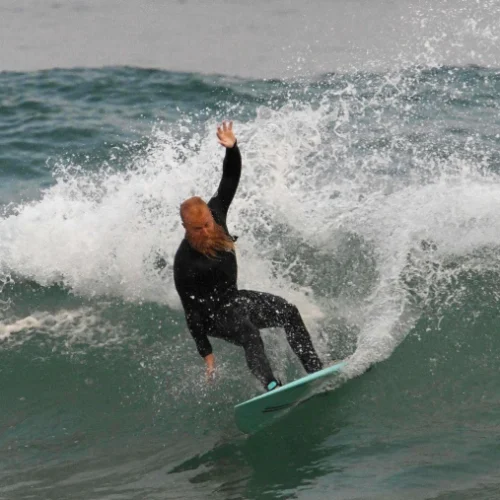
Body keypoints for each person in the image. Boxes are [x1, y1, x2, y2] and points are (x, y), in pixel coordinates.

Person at [173, 121, 323, 391]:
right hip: (211, 316)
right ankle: (271, 386)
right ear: (186, 228)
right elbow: (191, 312)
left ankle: (316, 369)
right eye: (199, 228)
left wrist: (233, 150)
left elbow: (229, 179)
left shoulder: (216, 213)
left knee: (288, 312)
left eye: (207, 222)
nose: (207, 230)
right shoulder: (185, 263)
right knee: (249, 333)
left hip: (234, 299)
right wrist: (206, 354)